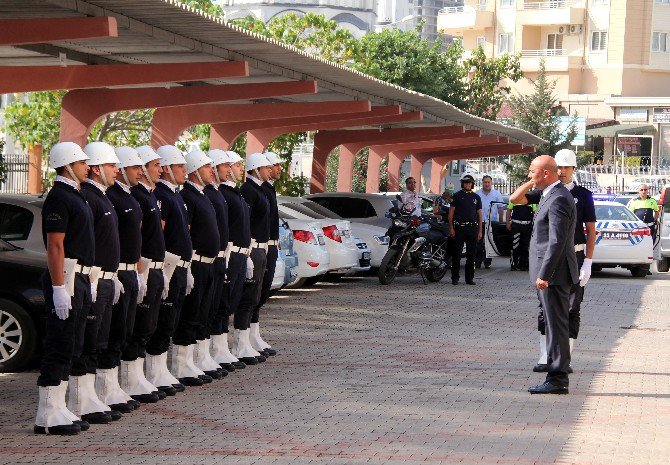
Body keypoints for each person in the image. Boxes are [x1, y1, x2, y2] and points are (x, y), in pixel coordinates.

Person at [511, 149, 596, 374]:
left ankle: (562, 361)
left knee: (570, 309)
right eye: (560, 167)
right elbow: (514, 199)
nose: (564, 171)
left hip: (572, 255)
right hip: (555, 257)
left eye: (567, 167)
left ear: (573, 169)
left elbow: (589, 231)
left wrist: (588, 261)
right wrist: (532, 180)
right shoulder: (547, 193)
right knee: (547, 310)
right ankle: (547, 355)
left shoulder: (578, 195)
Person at [35, 142, 93, 436]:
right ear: (68, 164)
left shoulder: (75, 195)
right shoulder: (59, 197)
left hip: (79, 277)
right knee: (59, 344)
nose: (87, 167)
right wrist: (59, 287)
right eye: (82, 162)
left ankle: (59, 406)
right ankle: (46, 413)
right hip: (65, 276)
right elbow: (55, 245)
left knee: (73, 344)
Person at [70, 142, 123, 425]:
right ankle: (80, 401)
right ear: (98, 168)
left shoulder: (102, 197)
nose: (117, 170)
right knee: (87, 342)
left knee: (98, 341)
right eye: (112, 165)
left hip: (105, 279)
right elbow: (85, 244)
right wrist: (91, 277)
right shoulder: (89, 197)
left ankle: (90, 396)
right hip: (92, 278)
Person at [97, 146, 147, 411]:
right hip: (113, 272)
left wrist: (139, 273)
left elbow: (136, 239)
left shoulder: (129, 197)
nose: (140, 172)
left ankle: (115, 385)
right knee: (111, 332)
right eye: (134, 168)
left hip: (129, 271)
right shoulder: (112, 197)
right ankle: (105, 389)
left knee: (124, 331)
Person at [526, 155, 578, 395]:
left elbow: (556, 241)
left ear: (546, 173)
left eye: (532, 171)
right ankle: (556, 375)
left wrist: (545, 273)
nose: (529, 176)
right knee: (554, 325)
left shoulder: (558, 198)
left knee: (556, 326)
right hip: (552, 274)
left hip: (555, 275)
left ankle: (557, 379)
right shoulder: (553, 195)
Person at [150, 146, 200, 387]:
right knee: (163, 320)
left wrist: (187, 266)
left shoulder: (176, 195)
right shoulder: (162, 195)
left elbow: (185, 232)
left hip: (180, 266)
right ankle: (154, 372)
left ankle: (162, 370)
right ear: (168, 169)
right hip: (167, 266)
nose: (185, 171)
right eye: (180, 166)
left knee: (172, 320)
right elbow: (158, 233)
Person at [130, 146, 177, 398]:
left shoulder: (148, 195)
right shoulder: (140, 196)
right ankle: (133, 380)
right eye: (155, 165)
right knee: (139, 327)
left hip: (159, 267)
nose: (160, 169)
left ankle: (142, 376)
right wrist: (141, 271)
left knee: (151, 325)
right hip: (145, 267)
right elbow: (139, 236)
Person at [178, 150, 223, 381]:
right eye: (207, 168)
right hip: (195, 262)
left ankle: (196, 359)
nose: (211, 171)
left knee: (203, 313)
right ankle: (182, 365)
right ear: (195, 171)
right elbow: (186, 231)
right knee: (190, 314)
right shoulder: (188, 195)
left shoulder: (202, 194)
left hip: (209, 263)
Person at [236, 152, 274, 364]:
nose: (270, 170)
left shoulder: (260, 189)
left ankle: (250, 339)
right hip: (252, 247)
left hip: (262, 247)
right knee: (248, 296)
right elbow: (247, 222)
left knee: (256, 296)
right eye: (266, 167)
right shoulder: (248, 190)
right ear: (256, 169)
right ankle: (241, 343)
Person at [218, 150, 254, 367]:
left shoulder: (235, 192)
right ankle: (217, 349)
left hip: (241, 252)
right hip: (229, 253)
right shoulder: (223, 193)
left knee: (233, 300)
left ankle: (223, 347)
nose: (242, 170)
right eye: (238, 165)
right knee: (223, 302)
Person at [249, 151, 282, 357]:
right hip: (260, 246)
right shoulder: (256, 190)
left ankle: (254, 333)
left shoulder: (268, 189)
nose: (276, 169)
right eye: (273, 165)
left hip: (268, 245)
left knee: (262, 291)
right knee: (255, 293)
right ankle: (248, 336)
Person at [202, 150, 233, 372]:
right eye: (225, 166)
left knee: (217, 307)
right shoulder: (208, 194)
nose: (230, 169)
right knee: (201, 311)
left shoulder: (216, 193)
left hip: (221, 256)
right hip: (203, 260)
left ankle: (213, 351)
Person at [448, 174, 482, 285]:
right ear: (463, 184)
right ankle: (455, 278)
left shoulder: (476, 197)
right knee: (456, 254)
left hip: (472, 228)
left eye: (470, 183)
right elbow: (451, 213)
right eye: (466, 182)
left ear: (472, 184)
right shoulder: (457, 195)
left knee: (471, 255)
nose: (468, 184)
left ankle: (469, 278)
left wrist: (480, 230)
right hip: (459, 228)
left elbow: (479, 215)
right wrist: (451, 228)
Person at [475, 175, 504, 269]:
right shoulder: (477, 194)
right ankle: (478, 261)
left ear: (491, 183)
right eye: (485, 182)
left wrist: (500, 222)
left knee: (489, 243)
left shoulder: (497, 194)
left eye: (488, 182)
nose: (487, 184)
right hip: (479, 222)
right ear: (482, 183)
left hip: (491, 222)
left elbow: (500, 208)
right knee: (478, 242)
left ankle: (487, 262)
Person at [506, 196, 535, 271]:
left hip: (527, 226)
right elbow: (509, 210)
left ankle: (524, 265)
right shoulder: (514, 198)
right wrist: (507, 223)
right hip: (516, 225)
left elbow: (535, 213)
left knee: (525, 246)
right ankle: (514, 264)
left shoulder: (532, 199)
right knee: (515, 246)